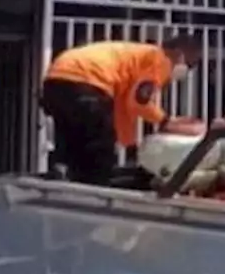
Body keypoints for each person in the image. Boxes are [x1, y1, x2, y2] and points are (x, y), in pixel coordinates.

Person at [41, 34, 202, 186]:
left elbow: (125, 107)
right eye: (190, 65)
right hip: (87, 81)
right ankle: (95, 197)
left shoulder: (137, 56)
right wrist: (166, 122)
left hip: (56, 80)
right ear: (180, 55)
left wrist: (130, 146)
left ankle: (62, 175)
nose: (187, 71)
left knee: (71, 143)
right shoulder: (160, 60)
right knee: (99, 153)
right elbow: (140, 102)